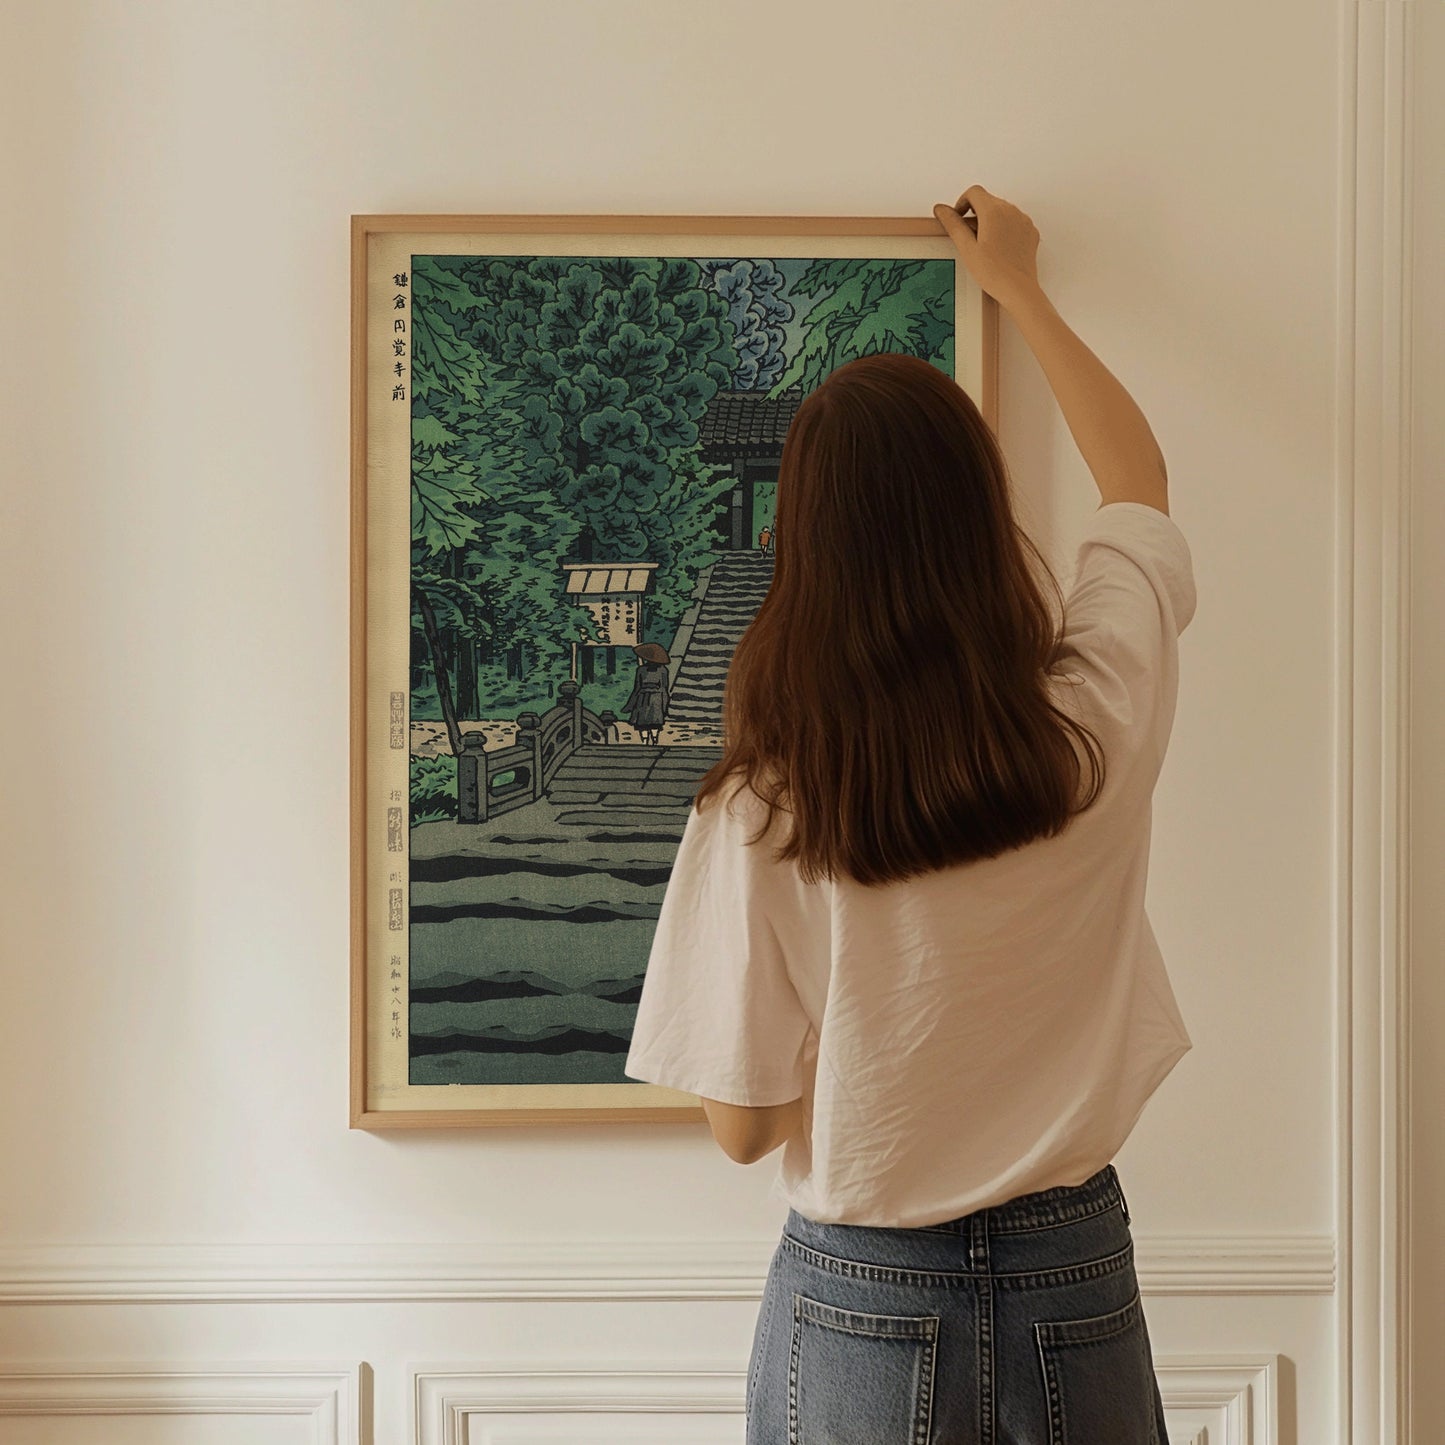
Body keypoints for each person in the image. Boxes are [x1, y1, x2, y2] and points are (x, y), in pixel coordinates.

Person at [624, 184, 1190, 1443]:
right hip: (1072, 1270)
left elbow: (742, 1125)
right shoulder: (1092, 717)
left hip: (861, 1294)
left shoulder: (766, 802)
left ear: (801, 547)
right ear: (981, 517)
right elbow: (1137, 483)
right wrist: (1021, 290)